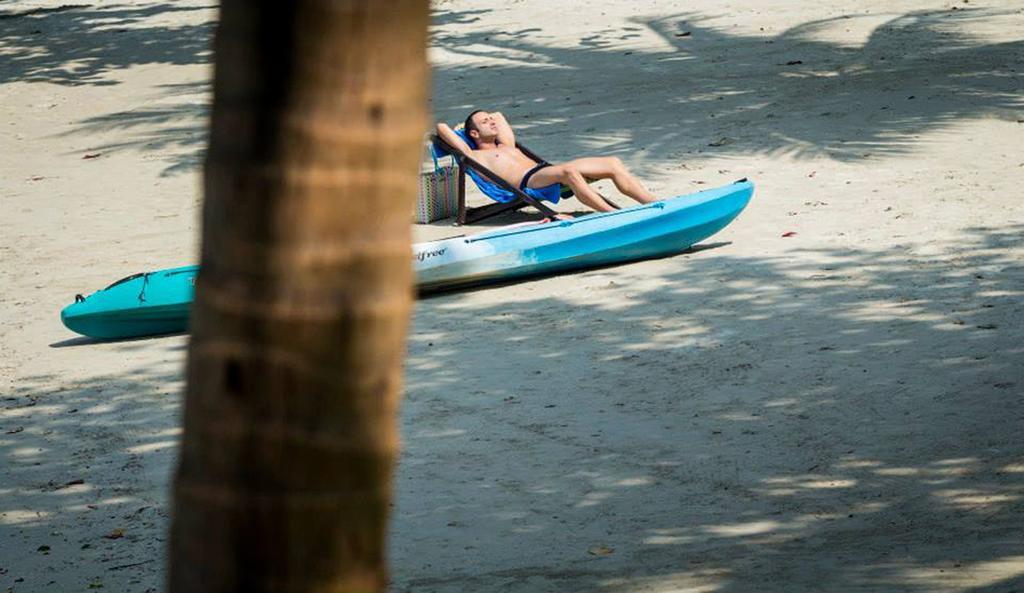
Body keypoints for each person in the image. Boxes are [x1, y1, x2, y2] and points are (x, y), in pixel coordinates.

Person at [435, 110, 659, 213]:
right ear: (473, 134)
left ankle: (653, 203)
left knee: (612, 162)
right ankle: (611, 215)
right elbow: (440, 128)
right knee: (569, 172)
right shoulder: (474, 156)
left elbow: (499, 114)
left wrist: (486, 118)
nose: (493, 123)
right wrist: (463, 131)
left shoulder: (506, 145)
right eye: (485, 122)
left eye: (490, 120)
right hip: (527, 182)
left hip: (545, 171)